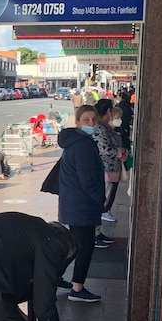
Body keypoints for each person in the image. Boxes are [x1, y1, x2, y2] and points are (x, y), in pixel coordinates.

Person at [57, 105, 105, 302]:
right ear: (77, 122)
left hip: (73, 203)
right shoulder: (83, 146)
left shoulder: (75, 142)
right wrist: (100, 200)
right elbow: (88, 181)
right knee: (85, 247)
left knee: (77, 246)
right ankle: (77, 289)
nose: (91, 123)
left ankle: (54, 277)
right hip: (82, 206)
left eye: (94, 119)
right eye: (86, 120)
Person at [92, 99, 125, 230]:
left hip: (112, 168)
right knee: (104, 199)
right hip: (106, 169)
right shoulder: (100, 128)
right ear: (108, 111)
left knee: (108, 197)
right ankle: (96, 232)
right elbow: (105, 149)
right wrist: (120, 151)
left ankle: (98, 231)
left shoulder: (105, 126)